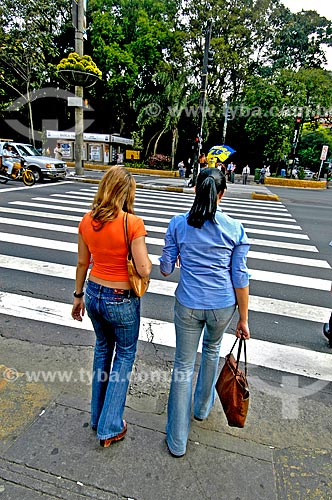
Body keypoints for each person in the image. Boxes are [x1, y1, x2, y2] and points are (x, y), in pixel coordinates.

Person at [159, 167, 250, 457]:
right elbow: (240, 277)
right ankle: (201, 409)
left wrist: (178, 257)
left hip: (187, 304)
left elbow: (164, 268)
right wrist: (244, 319)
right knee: (211, 351)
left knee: (183, 367)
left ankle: (177, 441)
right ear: (221, 194)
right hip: (222, 306)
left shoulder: (177, 224)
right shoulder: (235, 229)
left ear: (196, 189)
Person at [71, 166, 152, 448]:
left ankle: (97, 418)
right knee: (125, 356)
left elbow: (83, 263)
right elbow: (142, 268)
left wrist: (78, 296)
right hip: (121, 298)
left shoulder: (86, 220)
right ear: (126, 193)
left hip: (93, 293)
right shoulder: (133, 223)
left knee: (102, 349)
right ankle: (109, 427)